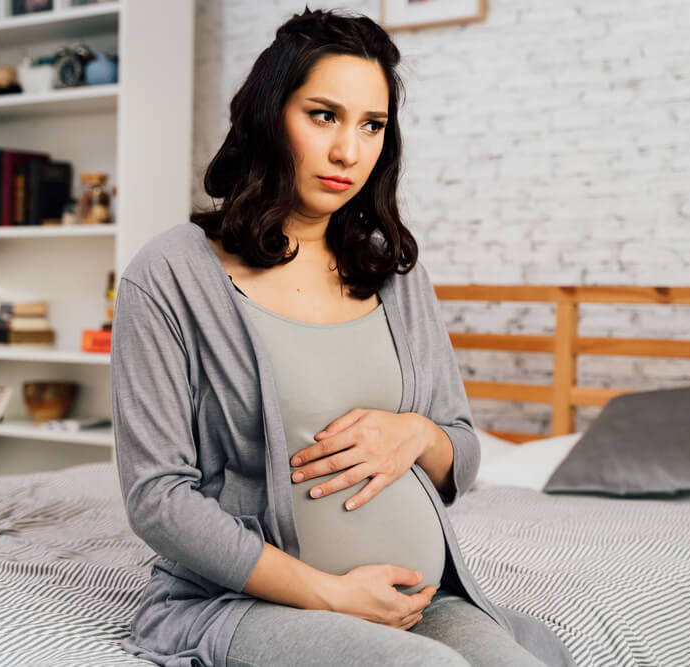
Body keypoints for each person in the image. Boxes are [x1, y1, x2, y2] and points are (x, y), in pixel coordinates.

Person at [110, 5, 576, 667]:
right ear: (271, 115)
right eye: (323, 115)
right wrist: (329, 594)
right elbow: (157, 497)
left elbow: (464, 452)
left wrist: (416, 433)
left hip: (420, 597)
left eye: (372, 125)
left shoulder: (389, 268)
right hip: (252, 601)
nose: (347, 151)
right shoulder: (171, 274)